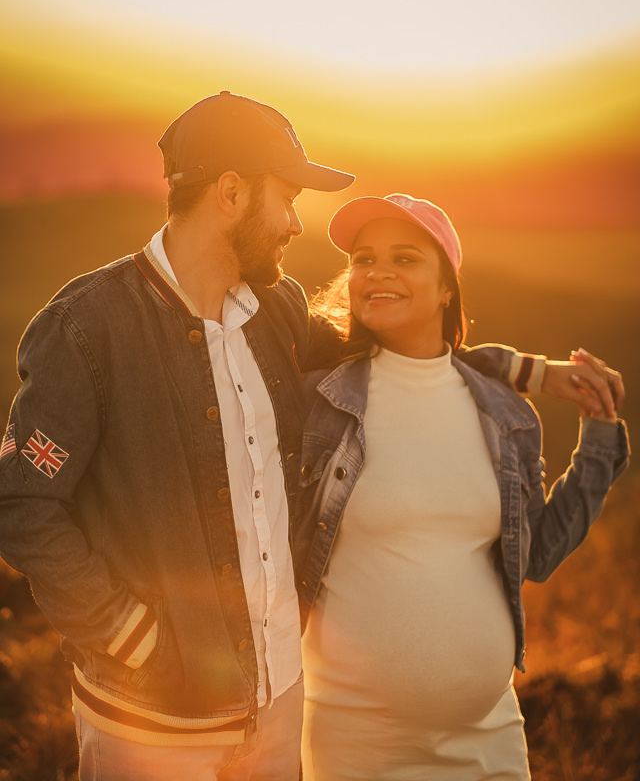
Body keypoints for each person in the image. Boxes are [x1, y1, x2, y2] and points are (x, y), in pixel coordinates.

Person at [0, 94, 622, 781]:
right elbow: (23, 504)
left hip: (279, 710)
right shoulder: (87, 328)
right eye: (288, 197)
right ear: (231, 193)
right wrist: (130, 637)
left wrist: (532, 373)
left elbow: (405, 344)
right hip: (152, 727)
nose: (297, 224)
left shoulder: (278, 311)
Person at [295, 193, 629, 781]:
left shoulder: (500, 410)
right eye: (365, 258)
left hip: (489, 735)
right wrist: (534, 367)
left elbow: (539, 553)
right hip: (358, 739)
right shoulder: (322, 401)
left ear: (447, 287)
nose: (379, 273)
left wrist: (599, 437)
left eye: (405, 258)